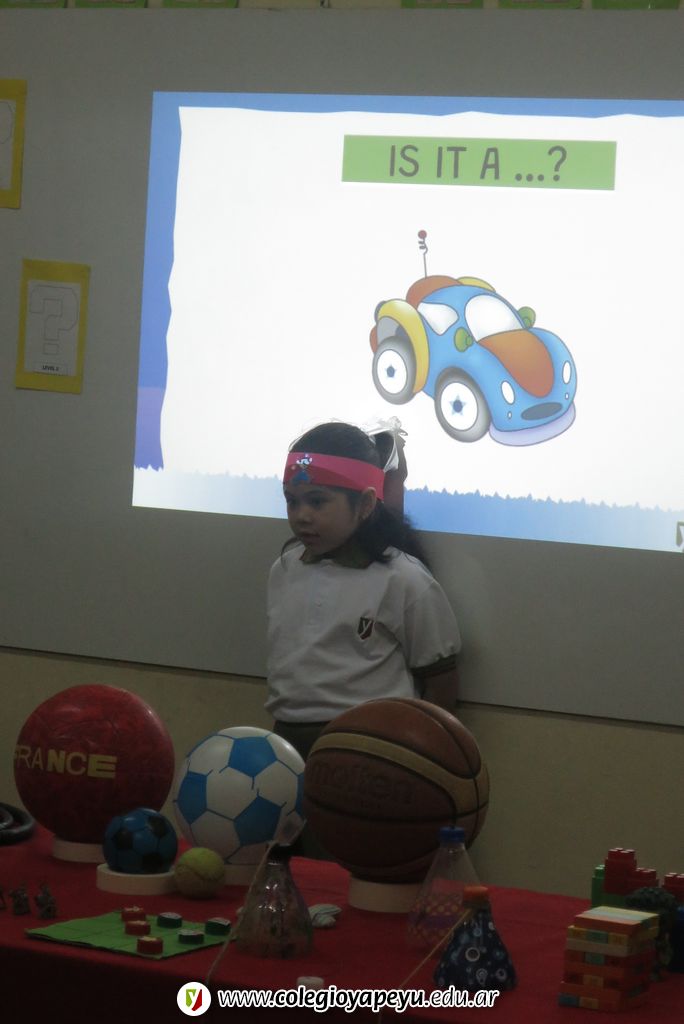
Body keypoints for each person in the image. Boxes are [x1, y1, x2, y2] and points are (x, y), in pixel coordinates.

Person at [266, 420, 461, 765]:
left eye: (317, 501)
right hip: (288, 748)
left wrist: (421, 756)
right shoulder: (283, 570)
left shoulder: (403, 579)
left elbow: (440, 680)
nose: (301, 516)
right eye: (292, 501)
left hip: (372, 749)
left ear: (366, 504)